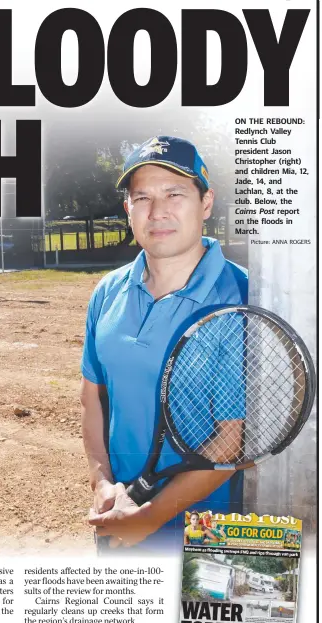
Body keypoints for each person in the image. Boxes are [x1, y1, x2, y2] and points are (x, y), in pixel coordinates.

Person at [82, 136, 248, 550]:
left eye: (175, 193)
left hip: (207, 533)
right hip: (118, 513)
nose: (157, 212)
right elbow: (91, 399)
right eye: (143, 197)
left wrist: (149, 518)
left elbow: (233, 441)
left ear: (206, 203)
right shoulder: (107, 291)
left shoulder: (245, 296)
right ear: (128, 209)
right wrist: (102, 481)